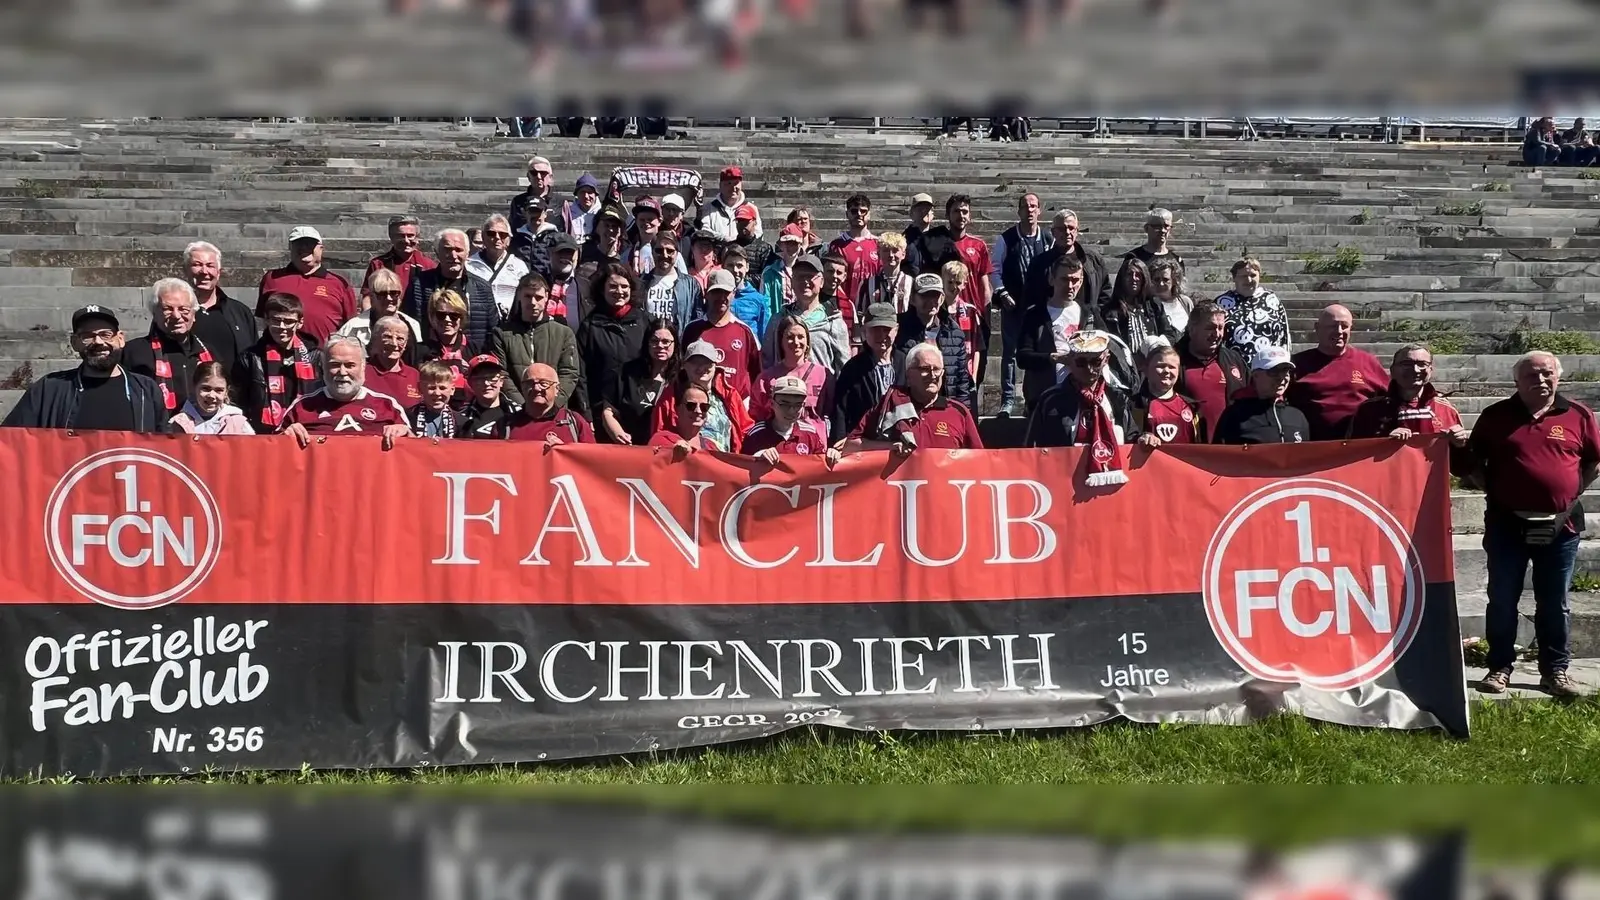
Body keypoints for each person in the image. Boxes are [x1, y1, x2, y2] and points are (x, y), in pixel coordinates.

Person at [1465, 351, 1600, 698]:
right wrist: (1495, 492)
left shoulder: (1579, 415)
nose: (1540, 379)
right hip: (1506, 525)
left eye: (1546, 373)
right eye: (1531, 374)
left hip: (1561, 528)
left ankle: (1555, 671)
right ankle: (1499, 667)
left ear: (1558, 377)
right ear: (1516, 381)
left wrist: (1567, 497)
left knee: (1554, 603)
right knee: (1502, 599)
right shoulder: (1495, 416)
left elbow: (1593, 463)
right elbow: (1473, 463)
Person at [2, 305, 166, 432]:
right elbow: (10, 439)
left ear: (121, 339)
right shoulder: (49, 389)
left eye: (105, 334)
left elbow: (163, 443)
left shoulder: (146, 390)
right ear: (74, 343)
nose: (98, 342)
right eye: (87, 336)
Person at [1022, 331, 1137, 484]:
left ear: (1106, 359)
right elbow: (1032, 447)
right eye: (1081, 362)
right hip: (1063, 480)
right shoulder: (1050, 400)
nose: (1089, 369)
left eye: (1096, 361)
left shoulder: (1117, 397)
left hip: (1111, 480)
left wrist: (1145, 438)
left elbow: (1132, 437)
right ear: (1070, 360)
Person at [843, 342, 983, 453]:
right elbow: (850, 445)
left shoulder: (958, 412)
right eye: (925, 369)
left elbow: (979, 460)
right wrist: (889, 447)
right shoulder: (890, 404)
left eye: (937, 369)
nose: (933, 375)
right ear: (909, 375)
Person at [278, 335, 410, 449]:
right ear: (323, 367)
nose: (342, 372)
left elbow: (414, 454)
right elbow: (273, 451)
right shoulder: (301, 407)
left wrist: (406, 434)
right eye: (335, 365)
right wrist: (285, 437)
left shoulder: (388, 406)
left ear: (363, 367)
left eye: (350, 365)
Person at [1285, 304, 1389, 440]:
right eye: (1332, 326)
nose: (1339, 331)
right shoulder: (1297, 363)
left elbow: (1390, 398)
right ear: (1317, 328)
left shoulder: (1367, 362)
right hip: (1313, 444)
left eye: (1344, 326)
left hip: (1359, 443)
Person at [991, 192, 1053, 417]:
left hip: (1038, 308)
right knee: (1009, 353)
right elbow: (994, 268)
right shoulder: (1006, 239)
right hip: (1013, 305)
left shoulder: (1047, 239)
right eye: (1025, 206)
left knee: (1036, 352)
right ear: (1019, 211)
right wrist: (1002, 292)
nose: (1030, 210)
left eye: (1033, 206)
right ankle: (1007, 400)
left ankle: (1033, 399)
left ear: (1039, 211)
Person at [122, 278, 217, 420]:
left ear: (194, 314)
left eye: (184, 309)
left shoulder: (210, 353)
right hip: (154, 429)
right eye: (167, 309)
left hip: (201, 429)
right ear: (155, 314)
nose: (176, 316)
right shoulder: (134, 352)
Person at [484, 272, 581, 408]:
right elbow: (502, 374)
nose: (533, 302)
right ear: (519, 296)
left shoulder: (564, 333)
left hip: (554, 409)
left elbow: (569, 373)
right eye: (528, 296)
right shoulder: (501, 334)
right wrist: (524, 406)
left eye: (538, 297)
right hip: (516, 410)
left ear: (546, 297)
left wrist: (553, 404)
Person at [1015, 254, 1096, 412]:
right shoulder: (1035, 315)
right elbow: (1023, 357)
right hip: (1044, 398)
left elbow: (1106, 347)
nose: (1070, 286)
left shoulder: (1090, 313)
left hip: (1083, 397)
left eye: (1075, 280)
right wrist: (1054, 358)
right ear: (1052, 279)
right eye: (1065, 279)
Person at [1348, 345, 1469, 448]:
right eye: (1407, 364)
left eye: (1422, 364)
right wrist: (1384, 439)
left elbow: (1460, 463)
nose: (1415, 370)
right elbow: (1352, 452)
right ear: (1393, 371)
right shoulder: (1369, 410)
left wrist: (1459, 443)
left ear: (1431, 370)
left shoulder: (1447, 410)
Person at [235, 293, 324, 433]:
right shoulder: (250, 357)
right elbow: (239, 402)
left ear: (300, 322)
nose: (282, 326)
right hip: (264, 434)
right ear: (266, 319)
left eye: (288, 321)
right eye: (276, 320)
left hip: (307, 431)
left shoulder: (317, 356)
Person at [256, 225, 359, 345]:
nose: (304, 247)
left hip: (323, 353)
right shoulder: (272, 278)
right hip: (279, 351)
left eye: (310, 244)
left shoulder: (339, 283)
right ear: (290, 247)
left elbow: (350, 324)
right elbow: (263, 318)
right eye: (299, 243)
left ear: (321, 248)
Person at [576, 262, 652, 417]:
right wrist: (586, 412)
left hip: (639, 411)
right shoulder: (590, 325)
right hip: (601, 411)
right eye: (613, 286)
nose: (619, 291)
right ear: (602, 289)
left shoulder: (645, 322)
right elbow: (580, 373)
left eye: (624, 286)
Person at [651, 339, 754, 451]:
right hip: (684, 458)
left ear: (715, 365)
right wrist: (674, 446)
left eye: (707, 362)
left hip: (724, 460)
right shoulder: (670, 397)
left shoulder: (730, 394)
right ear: (685, 366)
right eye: (695, 362)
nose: (701, 367)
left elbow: (746, 430)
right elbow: (659, 435)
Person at [403, 229, 500, 347]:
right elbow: (411, 325)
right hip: (430, 354)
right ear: (437, 252)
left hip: (472, 354)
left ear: (467, 253)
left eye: (459, 250)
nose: (453, 256)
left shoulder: (482, 288)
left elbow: (493, 329)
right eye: (447, 249)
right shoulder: (419, 284)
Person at [894, 272, 974, 409]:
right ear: (913, 299)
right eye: (925, 295)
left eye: (935, 295)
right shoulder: (898, 329)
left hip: (945, 406)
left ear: (942, 298)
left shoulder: (954, 331)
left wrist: (962, 410)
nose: (931, 301)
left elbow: (962, 379)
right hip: (908, 406)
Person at [684, 269, 764, 398]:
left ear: (734, 294)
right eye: (716, 291)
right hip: (700, 403)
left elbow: (757, 373)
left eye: (726, 292)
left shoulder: (745, 331)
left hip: (737, 404)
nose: (721, 297)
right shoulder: (692, 330)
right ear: (706, 294)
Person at [763, 253, 849, 373]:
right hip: (784, 384)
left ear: (822, 281)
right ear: (792, 282)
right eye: (800, 276)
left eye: (810, 276)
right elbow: (767, 361)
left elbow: (844, 368)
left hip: (821, 384)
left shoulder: (834, 322)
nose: (805, 281)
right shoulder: (778, 320)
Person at [598, 317, 678, 445]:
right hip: (630, 448)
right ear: (647, 343)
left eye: (666, 342)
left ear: (675, 344)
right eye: (654, 341)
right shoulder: (627, 372)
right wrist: (618, 434)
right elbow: (608, 411)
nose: (660, 346)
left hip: (667, 450)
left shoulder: (681, 378)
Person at [1211, 346, 1310, 444]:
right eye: (1274, 372)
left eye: (1286, 371)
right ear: (1255, 375)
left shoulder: (1297, 417)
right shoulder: (1235, 415)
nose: (1281, 378)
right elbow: (1221, 452)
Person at [183, 240, 256, 370]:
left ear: (218, 272)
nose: (204, 271)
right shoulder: (174, 313)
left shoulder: (240, 312)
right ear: (185, 270)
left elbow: (254, 358)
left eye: (210, 265)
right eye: (197, 265)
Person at [1022, 210, 1111, 316]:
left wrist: (1097, 315)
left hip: (1087, 320)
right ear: (1053, 232)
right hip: (1052, 321)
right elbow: (1030, 297)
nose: (1067, 232)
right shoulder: (1040, 263)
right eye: (1062, 229)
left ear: (1077, 231)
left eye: (1071, 228)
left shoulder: (1093, 260)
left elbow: (1105, 293)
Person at [830, 303, 898, 441]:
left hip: (898, 440)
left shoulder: (906, 363)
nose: (881, 335)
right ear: (864, 331)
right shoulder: (853, 368)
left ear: (896, 330)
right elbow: (840, 409)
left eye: (887, 329)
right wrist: (839, 441)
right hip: (863, 441)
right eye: (875, 329)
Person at [1174, 300, 1246, 431]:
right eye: (1210, 328)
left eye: (1220, 328)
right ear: (1192, 329)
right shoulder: (1173, 361)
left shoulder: (1234, 359)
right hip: (1189, 439)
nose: (1217, 334)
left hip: (1229, 441)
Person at [750, 314, 835, 422]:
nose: (796, 342)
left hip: (815, 432)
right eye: (790, 337)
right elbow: (755, 417)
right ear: (781, 341)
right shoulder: (765, 379)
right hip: (777, 433)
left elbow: (832, 414)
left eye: (800, 337)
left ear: (807, 340)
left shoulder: (823, 375)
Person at [742, 375, 836, 461]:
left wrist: (832, 456)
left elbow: (821, 465)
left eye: (798, 405)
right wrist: (758, 457)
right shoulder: (756, 434)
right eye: (784, 404)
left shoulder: (810, 434)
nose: (791, 411)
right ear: (772, 404)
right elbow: (742, 466)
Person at [1131, 343, 1205, 446]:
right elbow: (1128, 438)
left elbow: (1200, 445)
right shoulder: (1133, 405)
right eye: (1160, 366)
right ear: (1146, 370)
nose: (1166, 371)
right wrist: (1141, 438)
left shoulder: (1192, 407)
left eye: (1172, 367)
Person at [1215, 256, 1289, 360]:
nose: (1249, 280)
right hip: (1232, 365)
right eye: (1243, 276)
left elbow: (1284, 336)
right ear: (1234, 278)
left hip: (1269, 365)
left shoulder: (1272, 300)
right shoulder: (1221, 303)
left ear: (1259, 276)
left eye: (1253, 275)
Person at [504, 362, 595, 444]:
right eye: (529, 383)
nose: (536, 388)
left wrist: (564, 451)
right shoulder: (506, 425)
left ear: (557, 389)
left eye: (543, 383)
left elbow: (590, 455)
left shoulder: (574, 422)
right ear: (522, 387)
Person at [415, 289, 479, 400]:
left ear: (461, 319)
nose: (447, 320)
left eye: (454, 316)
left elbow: (483, 389)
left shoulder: (474, 349)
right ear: (432, 317)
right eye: (441, 315)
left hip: (468, 406)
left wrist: (469, 373)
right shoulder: (419, 350)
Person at [336, 268, 423, 350]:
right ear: (371, 296)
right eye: (382, 294)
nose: (389, 298)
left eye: (394, 293)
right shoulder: (353, 327)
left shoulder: (412, 324)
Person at [467, 213, 531, 316]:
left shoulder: (519, 267)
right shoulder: (468, 265)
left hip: (509, 321)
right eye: (491, 233)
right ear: (483, 237)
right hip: (477, 319)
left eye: (503, 235)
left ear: (509, 240)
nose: (497, 237)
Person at [363, 214, 436, 299]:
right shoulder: (378, 265)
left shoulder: (429, 266)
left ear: (417, 237)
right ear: (391, 237)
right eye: (400, 236)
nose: (406, 241)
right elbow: (367, 296)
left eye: (410, 235)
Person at [641, 231, 703, 332]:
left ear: (677, 254)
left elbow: (697, 320)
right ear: (652, 252)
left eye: (670, 251)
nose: (664, 255)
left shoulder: (691, 285)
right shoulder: (640, 282)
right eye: (659, 250)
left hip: (679, 339)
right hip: (649, 339)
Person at [827, 193, 880, 308]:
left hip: (873, 305)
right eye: (854, 211)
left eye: (863, 211)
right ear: (847, 214)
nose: (859, 214)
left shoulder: (878, 244)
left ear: (869, 214)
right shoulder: (837, 245)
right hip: (844, 304)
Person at [169, 361, 253, 435]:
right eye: (205, 388)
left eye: (219, 390)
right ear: (194, 387)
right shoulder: (178, 423)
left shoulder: (238, 424)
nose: (212, 396)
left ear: (226, 392)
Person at [1099, 257, 1155, 359]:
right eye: (1129, 274)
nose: (1134, 278)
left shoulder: (1153, 306)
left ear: (1144, 279)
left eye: (1138, 275)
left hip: (1152, 361)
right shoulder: (1109, 311)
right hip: (1123, 362)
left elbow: (1168, 333)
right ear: (1122, 278)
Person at [362, 315, 422, 408]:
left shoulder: (414, 375)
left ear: (406, 343)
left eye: (400, 339)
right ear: (375, 339)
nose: (394, 344)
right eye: (388, 337)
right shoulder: (363, 371)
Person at [459, 355, 525, 438]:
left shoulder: (518, 412)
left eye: (492, 377)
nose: (486, 383)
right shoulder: (462, 417)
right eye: (480, 378)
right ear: (470, 383)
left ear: (501, 381)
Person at [649, 384, 717, 454]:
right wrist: (673, 451)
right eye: (691, 406)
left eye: (704, 407)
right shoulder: (661, 439)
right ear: (678, 409)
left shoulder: (711, 447)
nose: (698, 411)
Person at [699, 165, 762, 241]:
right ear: (720, 185)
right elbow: (705, 231)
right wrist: (725, 239)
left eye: (736, 183)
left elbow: (758, 234)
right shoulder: (709, 208)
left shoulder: (751, 208)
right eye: (729, 183)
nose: (733, 188)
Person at [721, 246, 771, 342]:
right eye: (730, 265)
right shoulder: (716, 296)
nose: (735, 270)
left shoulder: (758, 300)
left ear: (747, 267)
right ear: (723, 267)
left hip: (750, 349)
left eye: (739, 265)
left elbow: (765, 336)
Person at [857, 232, 913, 315]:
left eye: (895, 250)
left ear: (903, 254)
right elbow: (860, 313)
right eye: (886, 250)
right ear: (879, 254)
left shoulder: (911, 283)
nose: (891, 255)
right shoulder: (866, 284)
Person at [1120, 208, 1185, 275]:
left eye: (1166, 226)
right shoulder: (1134, 257)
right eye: (1157, 226)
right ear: (1146, 228)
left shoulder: (1176, 260)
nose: (1163, 230)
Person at [760, 223, 805, 319]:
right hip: (777, 322)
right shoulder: (769, 272)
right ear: (781, 245)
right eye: (788, 243)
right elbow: (765, 303)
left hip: (801, 321)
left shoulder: (806, 271)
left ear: (800, 245)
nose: (791, 247)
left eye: (795, 243)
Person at [407, 361, 462, 438]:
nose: (437, 393)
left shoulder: (461, 422)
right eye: (431, 388)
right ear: (420, 388)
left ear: (452, 389)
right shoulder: (408, 418)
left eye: (442, 388)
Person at [1146, 259, 1192, 346]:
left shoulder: (1185, 302)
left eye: (1165, 279)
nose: (1161, 283)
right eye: (1156, 279)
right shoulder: (1148, 305)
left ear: (1174, 280)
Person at [509, 156, 555, 235]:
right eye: (534, 173)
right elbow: (512, 228)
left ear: (550, 177)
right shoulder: (518, 202)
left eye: (543, 173)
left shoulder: (561, 202)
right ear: (528, 176)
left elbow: (568, 231)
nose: (539, 177)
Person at [732, 206, 773, 287]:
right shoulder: (729, 247)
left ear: (754, 222)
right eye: (739, 221)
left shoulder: (764, 248)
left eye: (746, 221)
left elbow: (767, 276)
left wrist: (742, 279)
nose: (742, 224)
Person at [559, 173, 603, 240]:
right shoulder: (568, 214)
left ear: (595, 194)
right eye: (582, 192)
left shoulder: (603, 214)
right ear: (577, 194)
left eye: (589, 192)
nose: (586, 196)